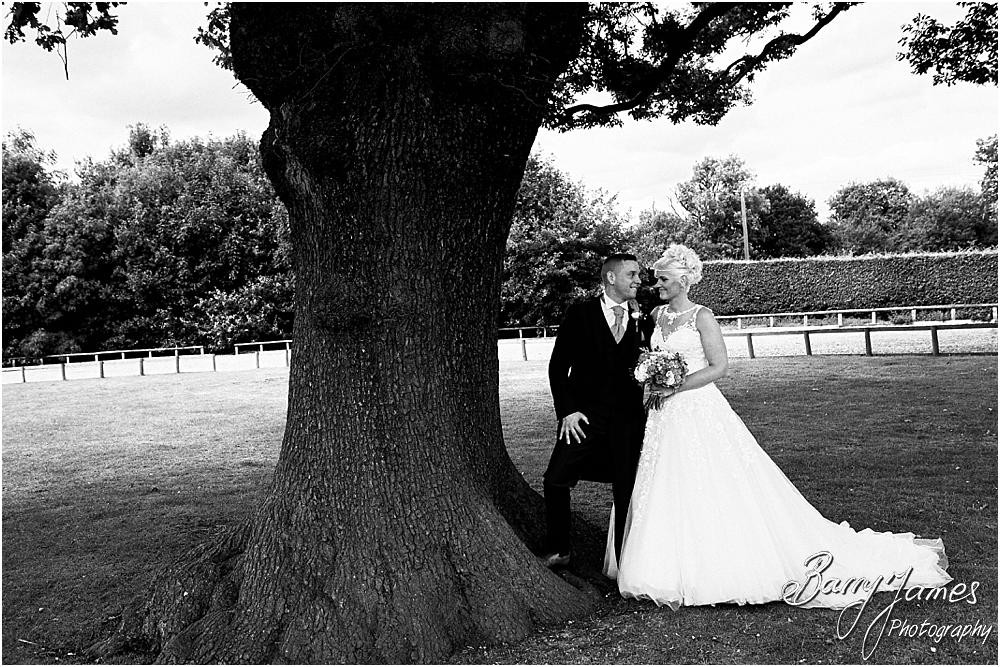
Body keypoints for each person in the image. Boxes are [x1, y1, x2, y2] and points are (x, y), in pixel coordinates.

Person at [604, 244, 951, 609]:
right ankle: (662, 565)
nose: (656, 284)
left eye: (663, 278)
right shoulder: (655, 315)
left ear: (684, 280)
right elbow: (649, 356)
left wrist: (677, 385)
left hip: (697, 408)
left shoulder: (702, 316)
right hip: (662, 415)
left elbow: (719, 367)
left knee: (712, 478)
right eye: (656, 278)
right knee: (664, 478)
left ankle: (717, 562)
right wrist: (652, 378)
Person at [541, 253, 653, 568]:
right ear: (611, 278)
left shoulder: (643, 318)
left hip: (628, 421)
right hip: (583, 417)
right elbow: (557, 367)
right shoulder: (580, 313)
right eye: (632, 274)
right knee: (555, 479)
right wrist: (567, 411)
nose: (638, 280)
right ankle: (560, 550)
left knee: (625, 489)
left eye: (639, 275)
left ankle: (625, 564)